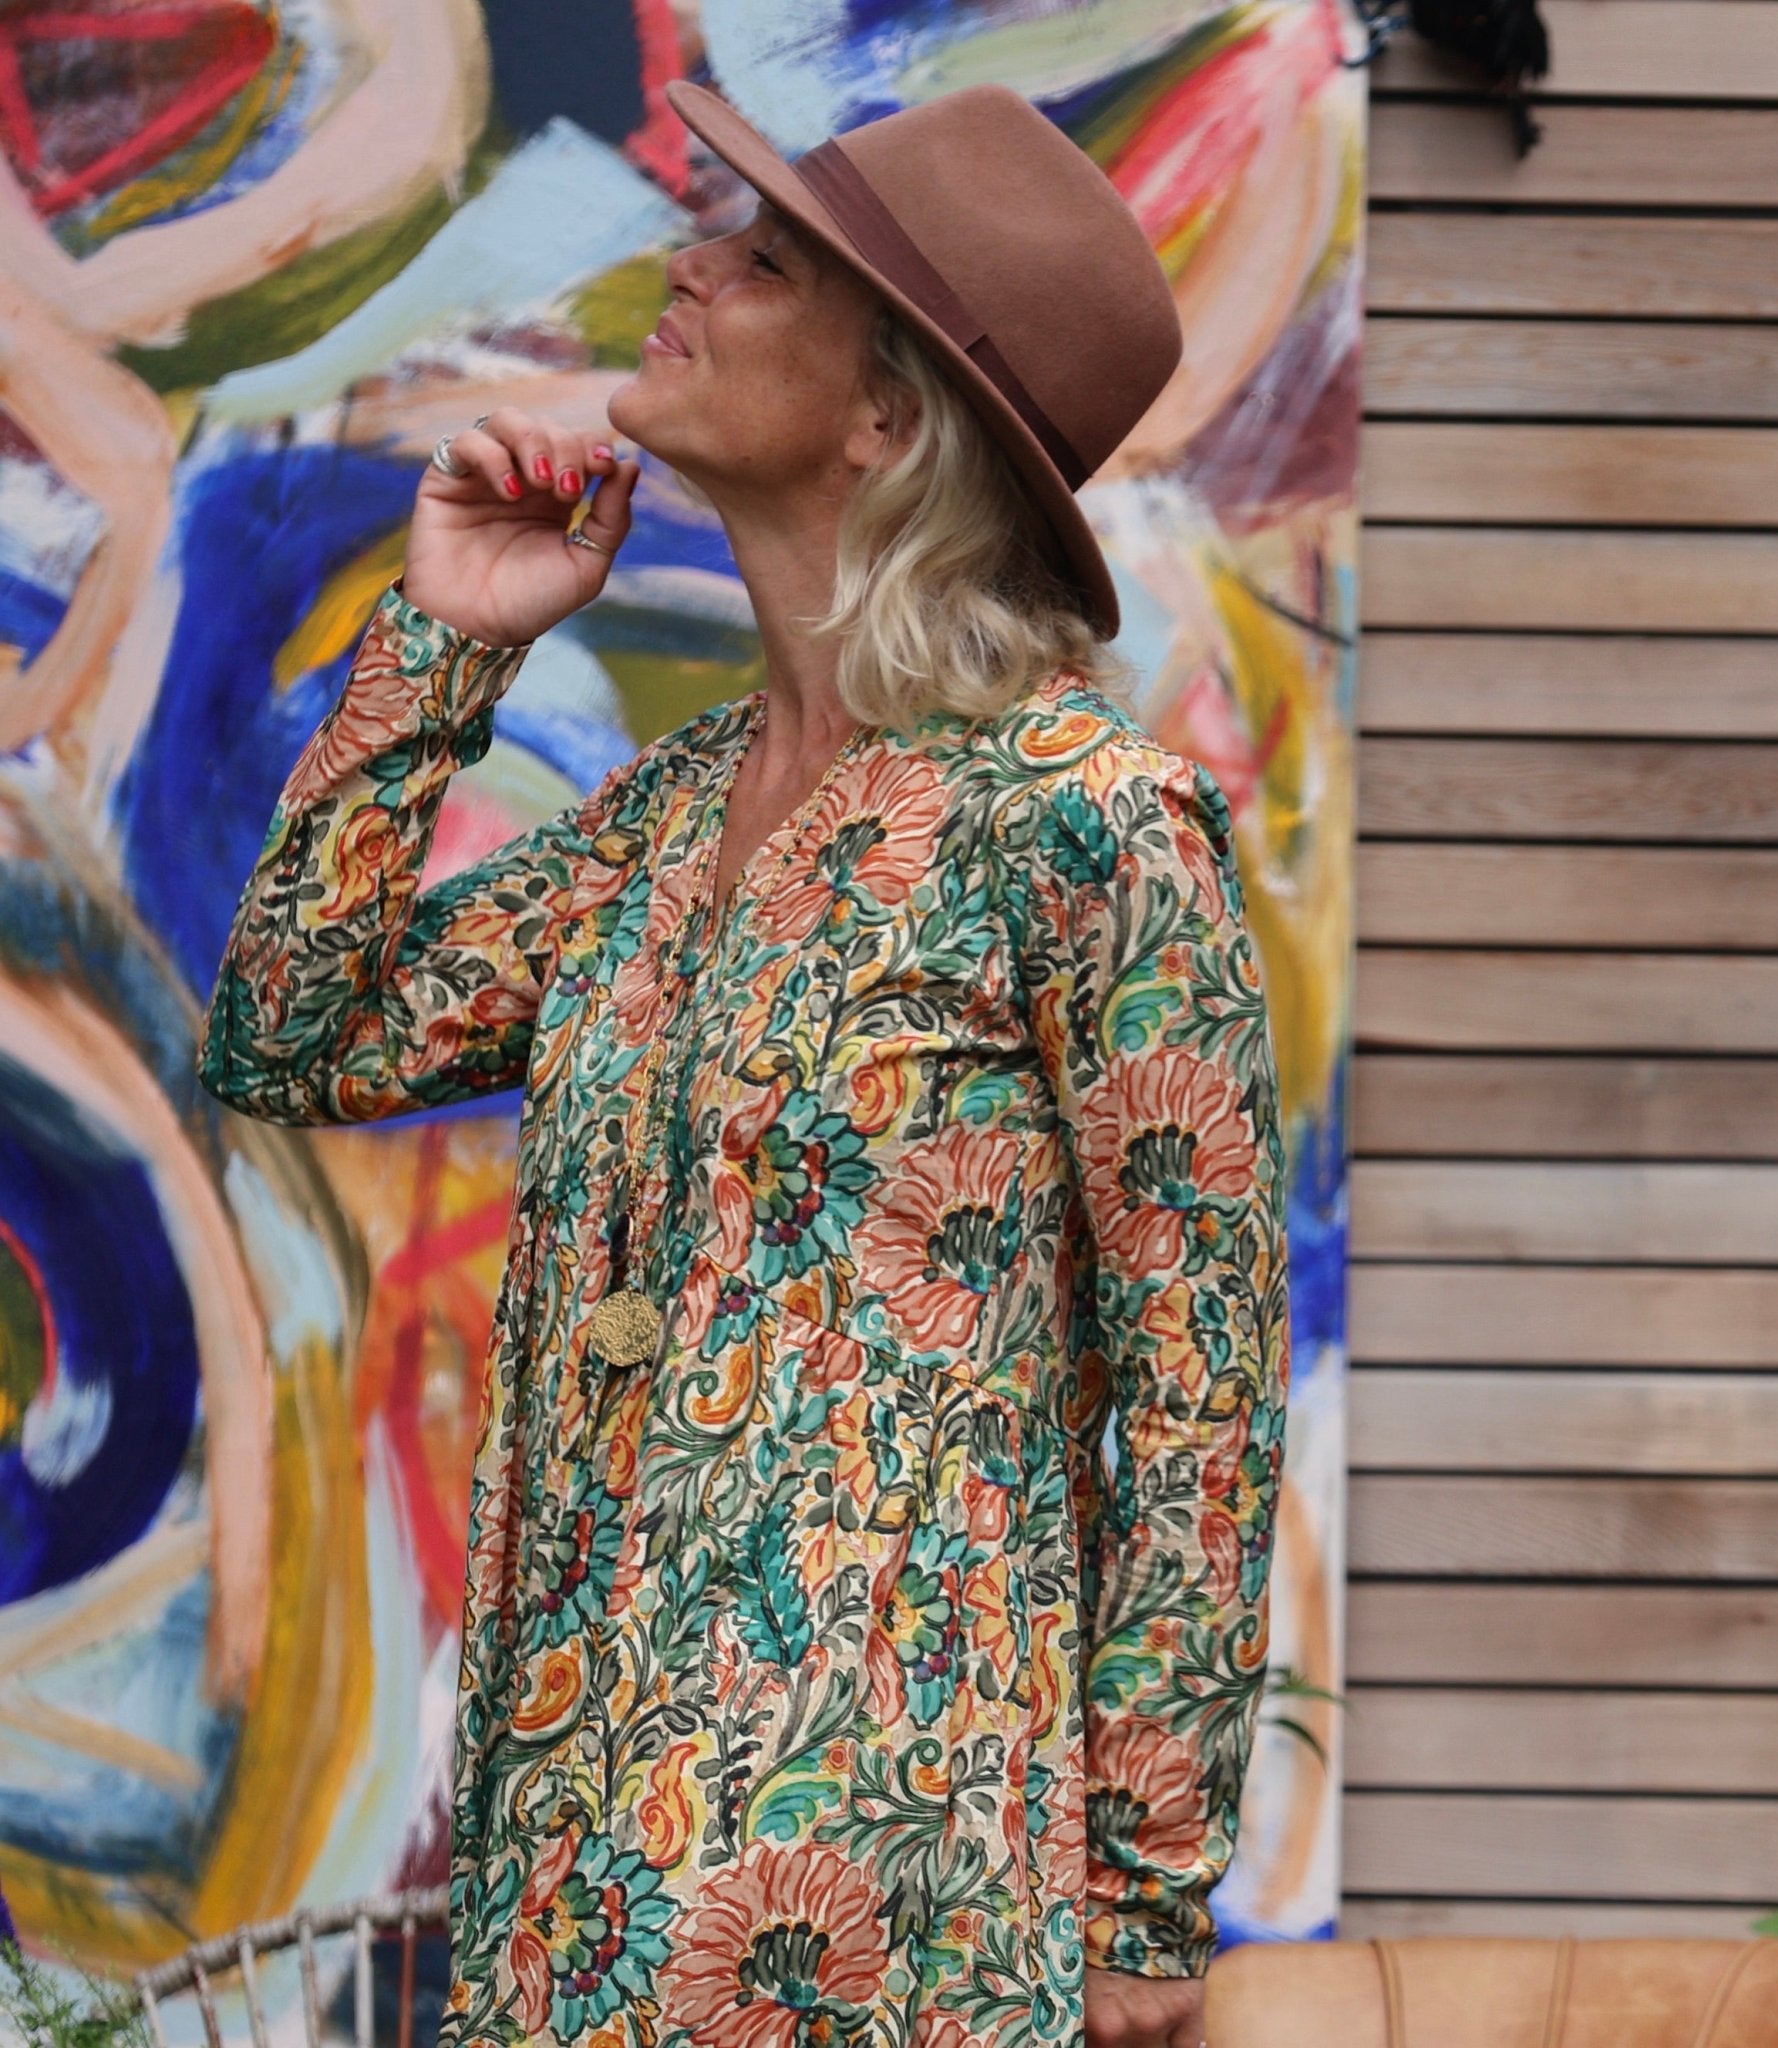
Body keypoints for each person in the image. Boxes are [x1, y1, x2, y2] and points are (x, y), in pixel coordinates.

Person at [200, 79, 1289, 2048]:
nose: (690, 265)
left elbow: (1198, 1389)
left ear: (885, 418)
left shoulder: (1089, 822)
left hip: (885, 1913)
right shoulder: (666, 815)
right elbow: (297, 1029)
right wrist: (445, 646)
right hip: (569, 1879)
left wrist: (1140, 1894)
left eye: (766, 261)